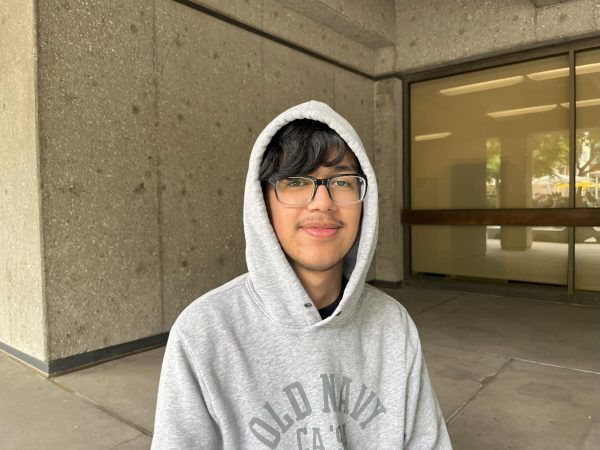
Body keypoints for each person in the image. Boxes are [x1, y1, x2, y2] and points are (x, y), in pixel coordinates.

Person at [151, 101, 452, 449]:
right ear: (261, 203)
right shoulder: (204, 333)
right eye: (295, 180)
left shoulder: (393, 326)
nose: (322, 202)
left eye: (341, 181)